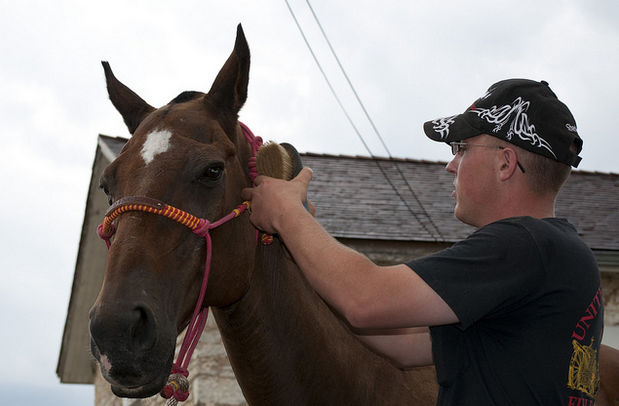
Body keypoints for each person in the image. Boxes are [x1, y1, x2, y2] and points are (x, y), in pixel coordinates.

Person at [242, 79, 603, 405]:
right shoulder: (558, 256)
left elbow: (365, 300)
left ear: (505, 163)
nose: (451, 165)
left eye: (461, 148)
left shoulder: (525, 244)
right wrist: (304, 244)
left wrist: (288, 215)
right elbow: (402, 344)